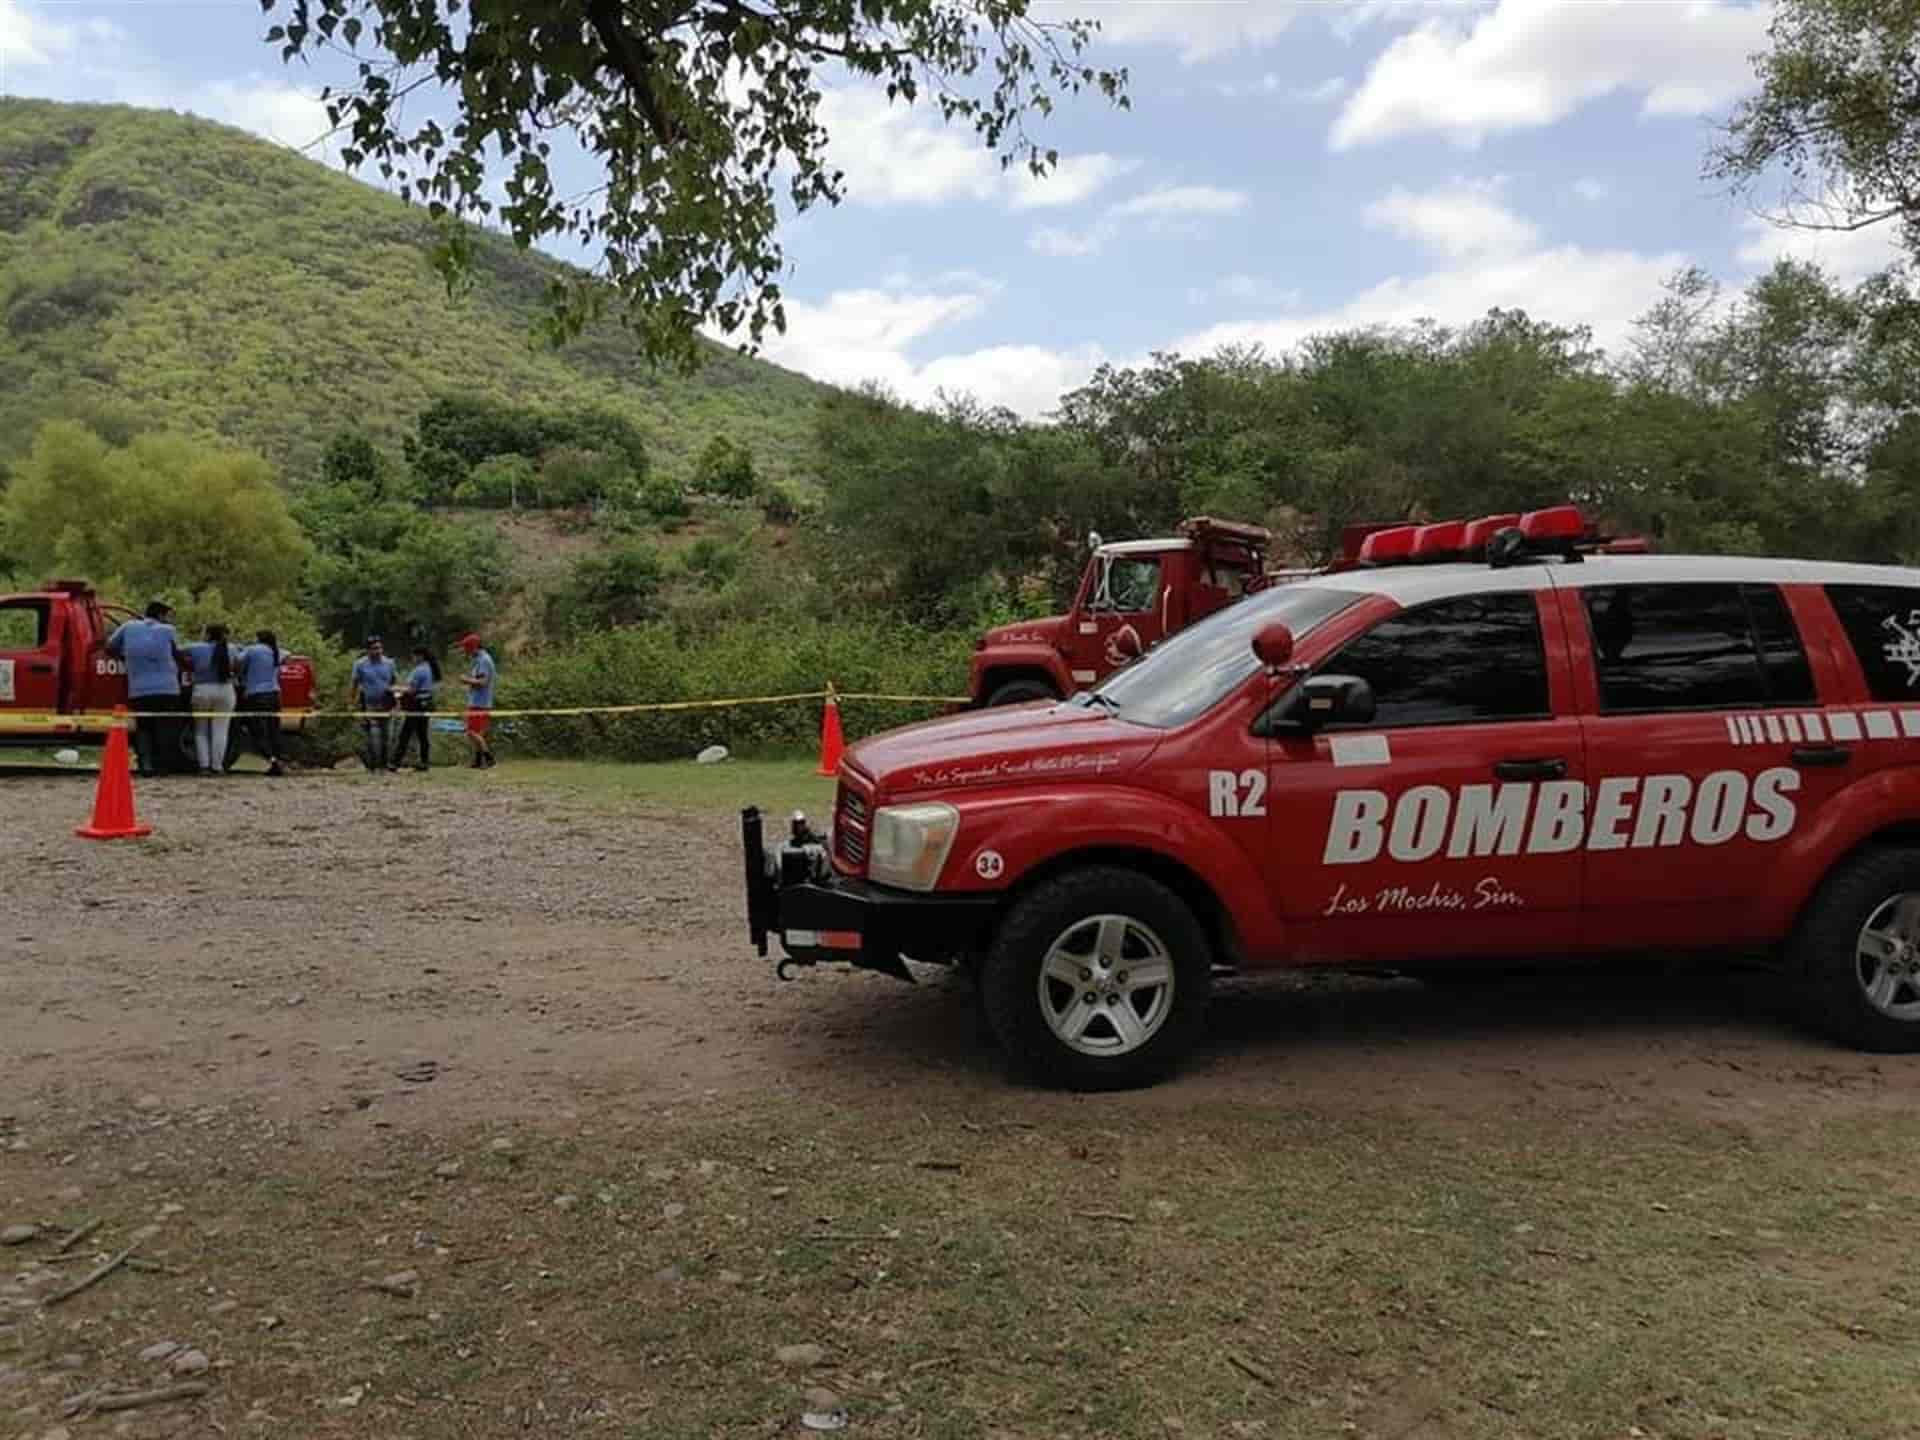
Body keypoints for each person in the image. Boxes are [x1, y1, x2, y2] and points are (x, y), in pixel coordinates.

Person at [105, 600, 187, 779]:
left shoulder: (128, 627)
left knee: (143, 728)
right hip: (167, 688)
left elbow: (110, 647)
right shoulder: (168, 630)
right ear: (160, 615)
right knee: (166, 727)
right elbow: (178, 653)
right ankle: (163, 766)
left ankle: (145, 765)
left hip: (139, 689)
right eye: (167, 616)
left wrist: (125, 657)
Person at [183, 624, 237, 776]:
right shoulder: (231, 648)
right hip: (225, 690)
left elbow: (176, 651)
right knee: (221, 730)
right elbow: (237, 664)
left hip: (202, 689)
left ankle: (204, 766)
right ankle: (217, 766)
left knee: (201, 730)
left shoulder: (195, 647)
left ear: (207, 634)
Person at [233, 629, 287, 777]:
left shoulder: (252, 650)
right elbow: (287, 657)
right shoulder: (277, 651)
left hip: (256, 695)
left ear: (258, 638)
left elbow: (237, 662)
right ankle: (278, 759)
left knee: (257, 731)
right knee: (273, 730)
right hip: (274, 694)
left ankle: (273, 760)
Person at [348, 634, 398, 773]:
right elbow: (354, 684)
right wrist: (351, 702)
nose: (378, 651)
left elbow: (395, 683)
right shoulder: (360, 664)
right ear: (368, 650)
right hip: (368, 704)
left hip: (387, 704)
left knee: (387, 737)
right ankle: (373, 765)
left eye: (380, 648)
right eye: (374, 648)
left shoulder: (389, 663)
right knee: (373, 736)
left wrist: (397, 702)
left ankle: (384, 765)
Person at [392, 645, 440, 772]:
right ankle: (424, 762)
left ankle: (395, 762)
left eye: (414, 656)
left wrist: (395, 689)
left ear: (420, 656)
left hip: (416, 704)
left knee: (405, 734)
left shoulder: (419, 670)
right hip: (425, 703)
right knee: (422, 734)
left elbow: (411, 689)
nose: (413, 658)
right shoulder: (429, 668)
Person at [458, 632, 497, 769]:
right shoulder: (479, 660)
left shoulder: (484, 660)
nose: (466, 652)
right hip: (477, 700)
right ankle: (478, 760)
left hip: (480, 702)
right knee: (477, 732)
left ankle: (489, 758)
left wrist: (466, 680)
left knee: (471, 731)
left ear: (473, 647)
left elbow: (483, 682)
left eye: (467, 649)